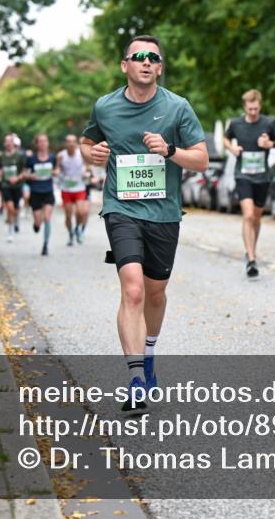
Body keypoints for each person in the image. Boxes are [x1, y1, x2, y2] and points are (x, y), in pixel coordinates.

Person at [80, 34, 208, 414]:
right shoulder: (105, 107)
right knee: (132, 291)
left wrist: (169, 150)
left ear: (160, 67)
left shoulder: (177, 108)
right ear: (126, 66)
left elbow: (201, 160)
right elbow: (87, 145)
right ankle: (136, 378)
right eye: (139, 57)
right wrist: (94, 154)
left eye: (153, 57)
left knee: (154, 293)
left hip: (164, 213)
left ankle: (148, 353)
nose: (146, 62)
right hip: (121, 209)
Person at [223, 89, 275, 278]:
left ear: (260, 106)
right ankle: (251, 259)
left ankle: (251, 249)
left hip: (262, 177)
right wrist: (232, 147)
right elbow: (226, 139)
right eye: (250, 109)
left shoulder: (269, 123)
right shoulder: (236, 124)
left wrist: (271, 145)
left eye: (256, 109)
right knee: (248, 215)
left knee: (257, 218)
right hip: (243, 175)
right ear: (245, 107)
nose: (252, 112)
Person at [25, 133, 56, 256]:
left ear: (48, 143)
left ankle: (45, 245)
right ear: (37, 144)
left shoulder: (52, 158)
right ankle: (36, 224)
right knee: (38, 221)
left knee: (47, 218)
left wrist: (55, 172)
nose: (43, 143)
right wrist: (29, 176)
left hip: (48, 191)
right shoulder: (31, 159)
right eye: (40, 141)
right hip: (35, 192)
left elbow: (57, 170)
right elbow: (24, 173)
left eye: (45, 141)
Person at [57, 134, 90, 246]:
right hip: (66, 189)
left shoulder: (81, 154)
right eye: (68, 141)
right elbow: (57, 168)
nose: (71, 143)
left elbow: (87, 166)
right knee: (68, 214)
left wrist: (86, 172)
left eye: (73, 141)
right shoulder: (61, 156)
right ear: (65, 143)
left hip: (79, 187)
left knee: (81, 212)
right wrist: (56, 172)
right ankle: (70, 234)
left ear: (76, 143)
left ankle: (78, 228)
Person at [0, 134, 25, 243]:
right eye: (6, 141)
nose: (8, 143)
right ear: (4, 143)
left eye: (10, 141)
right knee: (10, 208)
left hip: (17, 185)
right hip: (6, 185)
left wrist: (17, 177)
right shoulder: (1, 156)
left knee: (16, 209)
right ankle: (10, 231)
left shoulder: (20, 156)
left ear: (13, 143)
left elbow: (24, 170)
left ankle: (16, 220)